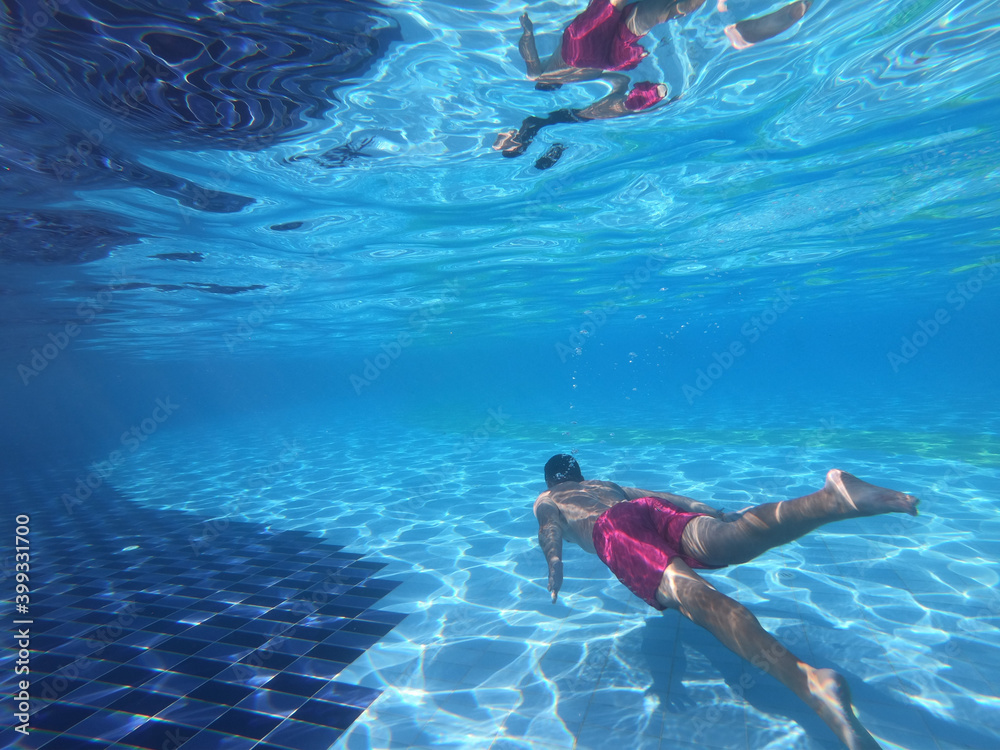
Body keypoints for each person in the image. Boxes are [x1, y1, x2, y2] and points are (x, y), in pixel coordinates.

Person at [534, 454, 920, 750]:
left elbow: (549, 526)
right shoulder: (605, 484)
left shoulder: (548, 497)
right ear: (580, 475)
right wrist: (709, 510)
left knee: (699, 600)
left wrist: (554, 561)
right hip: (643, 512)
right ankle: (830, 500)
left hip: (614, 531)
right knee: (732, 540)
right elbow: (659, 497)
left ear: (552, 481)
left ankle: (810, 683)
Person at [494, 0, 812, 165]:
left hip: (618, 59)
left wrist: (642, 98)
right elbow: (527, 48)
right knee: (642, 13)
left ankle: (800, 9)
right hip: (585, 50)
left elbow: (609, 101)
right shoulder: (541, 76)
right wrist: (526, 27)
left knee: (657, 18)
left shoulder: (562, 92)